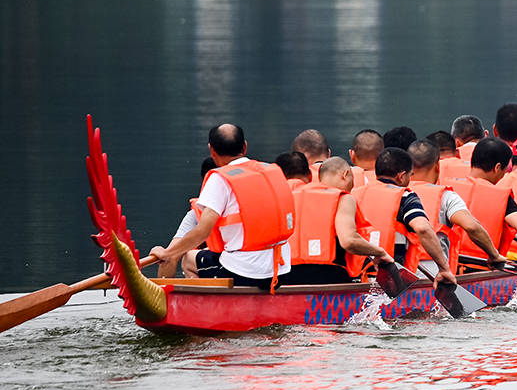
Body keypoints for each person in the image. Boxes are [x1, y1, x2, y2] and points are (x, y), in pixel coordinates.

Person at [150, 123, 293, 288]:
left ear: (212, 150)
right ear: (245, 147)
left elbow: (203, 231)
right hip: (281, 271)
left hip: (245, 273)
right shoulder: (271, 171)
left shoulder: (220, 179)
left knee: (188, 259)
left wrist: (168, 254)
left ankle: (199, 307)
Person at [284, 157, 394, 285]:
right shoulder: (342, 198)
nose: (351, 188)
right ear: (345, 174)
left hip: (287, 276)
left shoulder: (291, 197)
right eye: (352, 181)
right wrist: (379, 252)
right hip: (329, 277)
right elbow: (349, 241)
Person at [355, 147, 457, 285]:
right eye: (410, 175)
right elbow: (423, 229)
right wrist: (444, 269)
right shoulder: (405, 197)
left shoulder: (353, 195)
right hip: (390, 280)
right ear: (401, 176)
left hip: (356, 277)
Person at [407, 139, 509, 267]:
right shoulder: (446, 197)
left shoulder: (399, 193)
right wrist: (494, 254)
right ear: (438, 166)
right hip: (432, 271)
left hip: (400, 270)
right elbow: (471, 226)